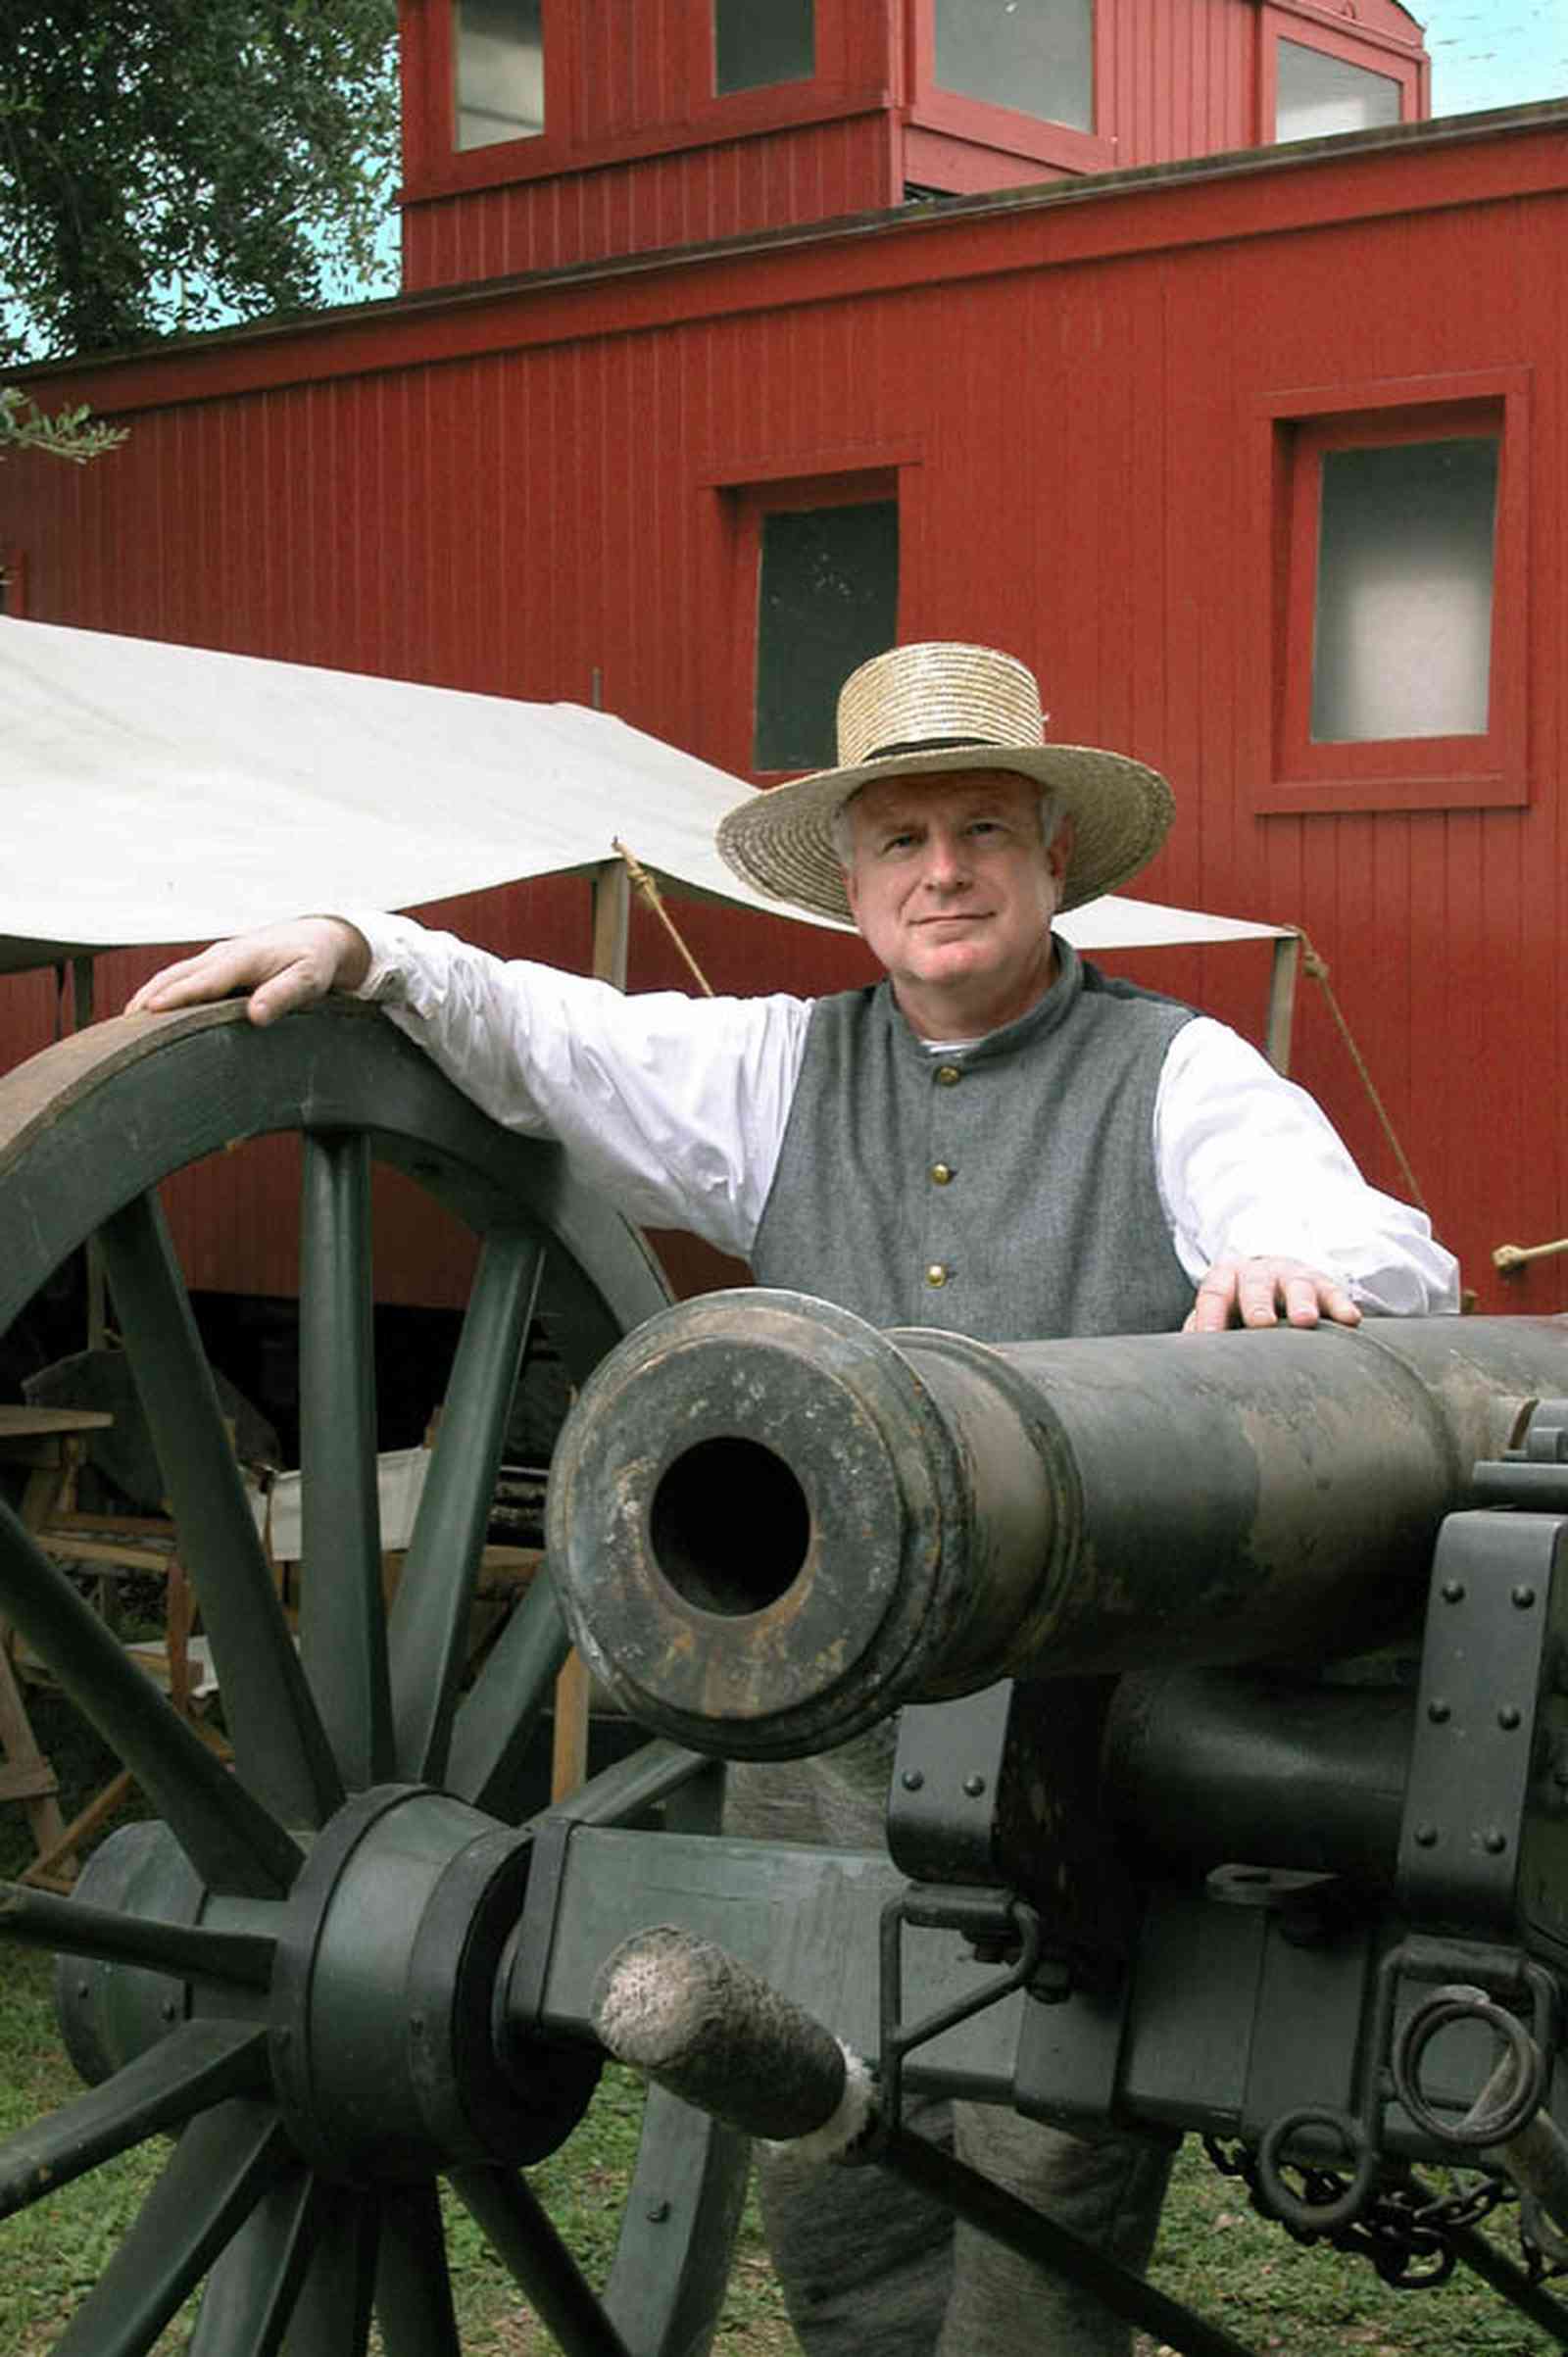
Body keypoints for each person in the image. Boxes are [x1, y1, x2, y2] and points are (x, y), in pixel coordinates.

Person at [129, 641, 1458, 2355]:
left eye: (984, 829)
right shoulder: (782, 1072)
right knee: (836, 2209)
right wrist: (366, 947)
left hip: (1072, 1772)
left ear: (1056, 858)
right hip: (822, 1766)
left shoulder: (1177, 1077)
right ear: (852, 879)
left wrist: (1293, 1268)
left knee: (1034, 2227)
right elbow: (559, 1039)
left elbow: (1353, 1243)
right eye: (900, 840)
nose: (944, 870)